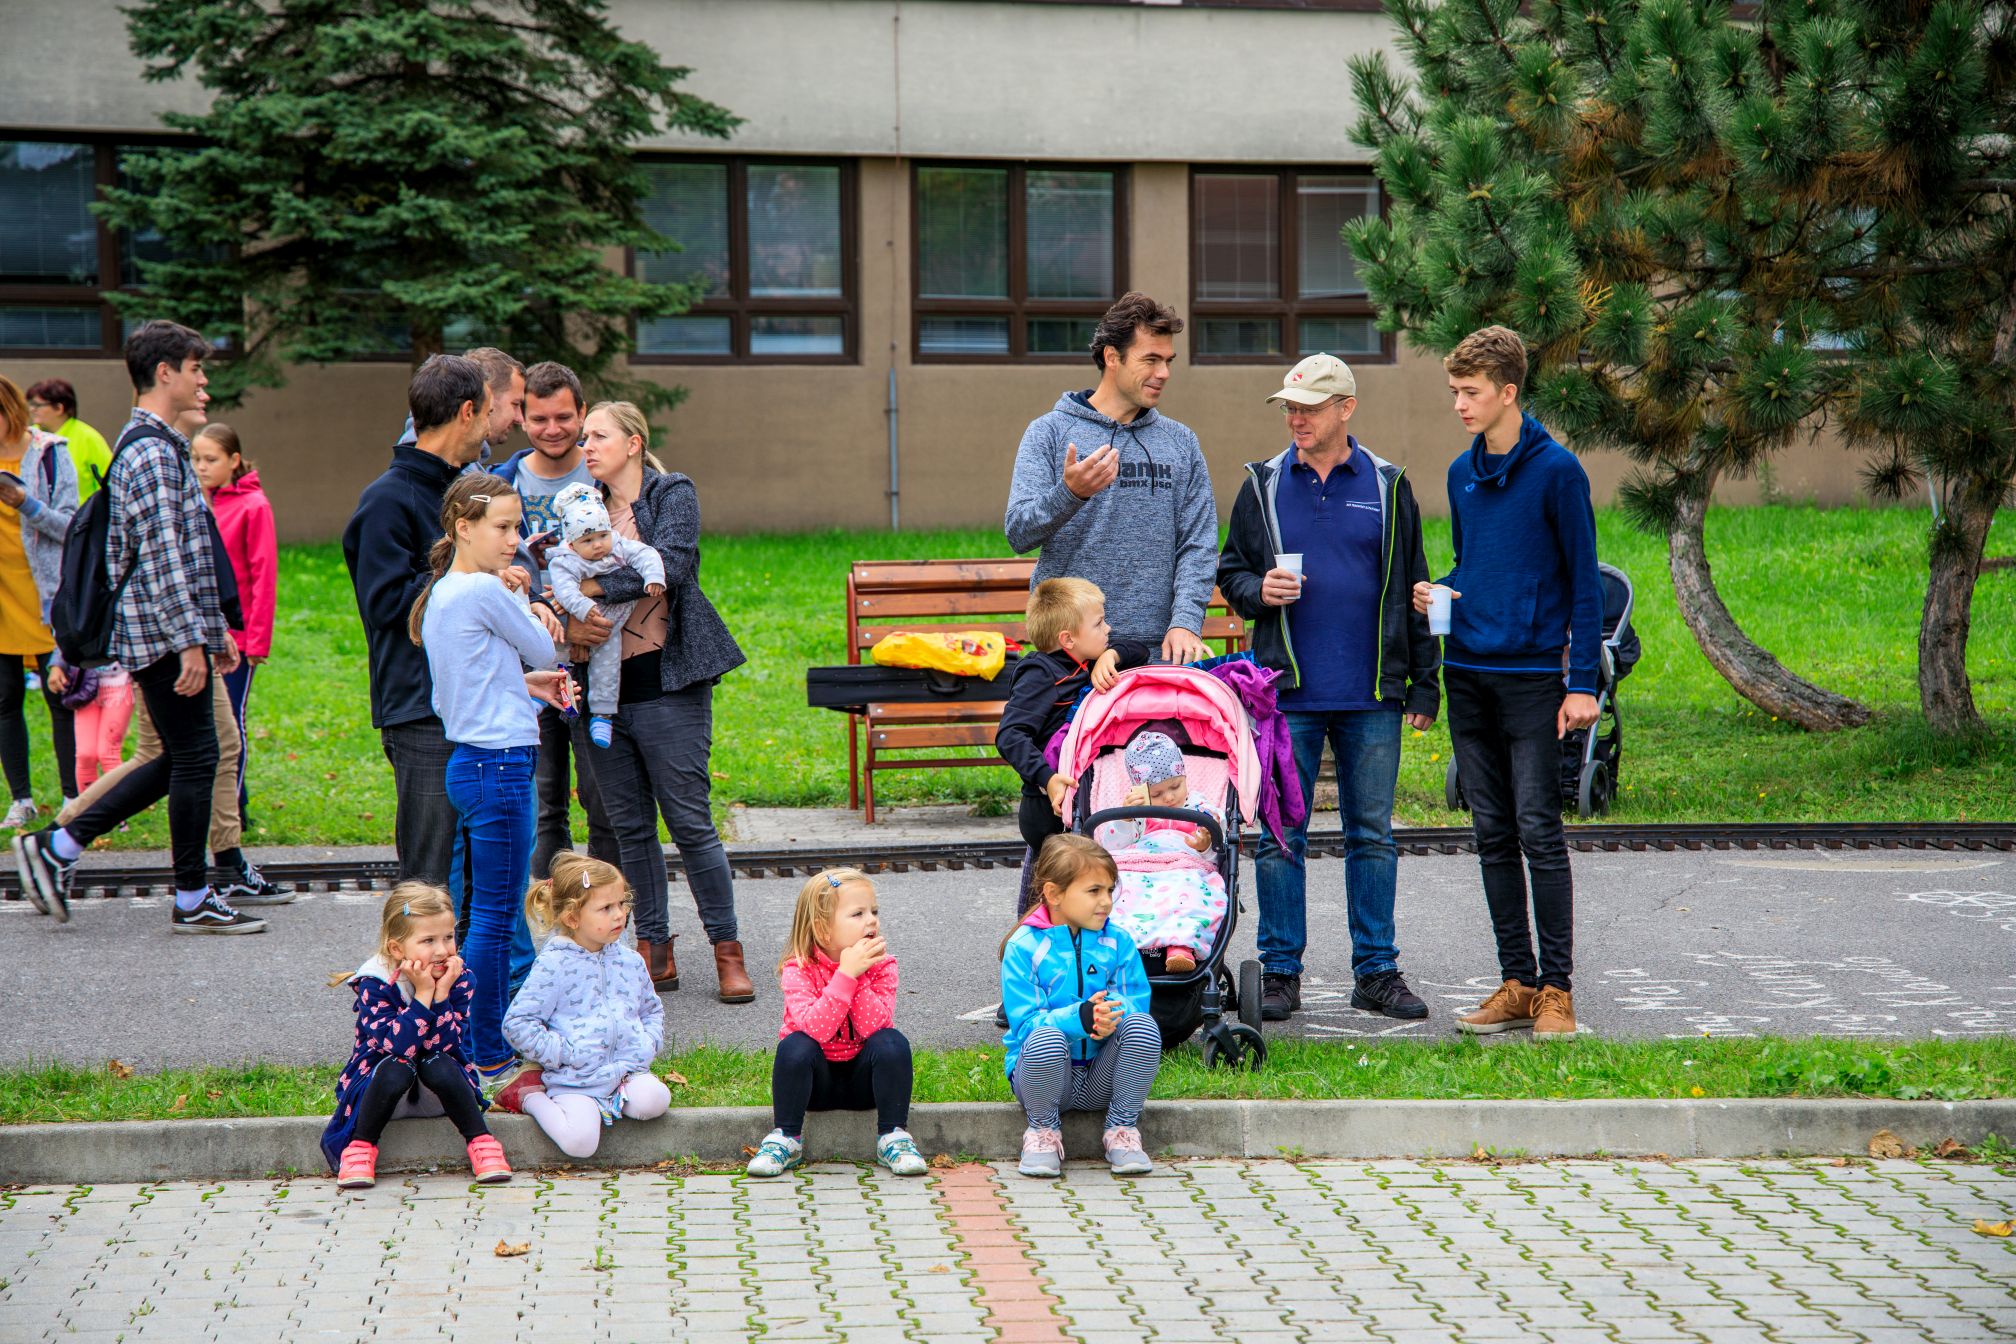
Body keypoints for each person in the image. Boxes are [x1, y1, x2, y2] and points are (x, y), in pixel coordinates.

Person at [14, 321, 261, 934]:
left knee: (183, 757)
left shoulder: (160, 445)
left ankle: (58, 847)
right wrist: (191, 642)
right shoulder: (150, 452)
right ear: (164, 373)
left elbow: (191, 552)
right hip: (161, 634)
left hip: (165, 631)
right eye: (196, 370)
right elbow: (162, 559)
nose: (203, 382)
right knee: (195, 757)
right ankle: (189, 895)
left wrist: (213, 634)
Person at [1217, 353, 1442, 1025]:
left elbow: (1416, 587)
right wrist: (1259, 590)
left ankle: (1376, 971)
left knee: (1372, 835)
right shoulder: (1261, 484)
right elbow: (1232, 571)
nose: (1296, 418)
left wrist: (1424, 684)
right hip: (1285, 694)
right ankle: (1279, 972)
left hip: (1372, 695)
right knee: (1279, 837)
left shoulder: (1388, 483)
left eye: (1310, 408)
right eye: (1290, 407)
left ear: (1346, 408)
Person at [1413, 326, 1602, 1041]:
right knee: (1491, 833)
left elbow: (1584, 584)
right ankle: (1518, 983)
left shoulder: (1559, 472)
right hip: (1468, 672)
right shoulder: (1461, 475)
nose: (1460, 404)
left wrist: (1581, 684)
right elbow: (1475, 565)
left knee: (1538, 831)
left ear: (1508, 392)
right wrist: (1440, 590)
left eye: (1471, 392)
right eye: (1454, 391)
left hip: (1533, 679)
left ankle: (1558, 991)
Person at [343, 356, 559, 890]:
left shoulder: (460, 487)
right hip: (422, 713)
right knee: (430, 879)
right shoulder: (388, 500)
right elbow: (386, 605)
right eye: (489, 412)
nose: (497, 424)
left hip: (471, 708)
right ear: (467, 413)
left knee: (481, 881)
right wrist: (473, 578)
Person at [573, 401, 751, 1003]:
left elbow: (671, 566)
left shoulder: (671, 492)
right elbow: (555, 568)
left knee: (691, 824)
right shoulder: (581, 506)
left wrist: (590, 585)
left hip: (668, 684)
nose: (586, 446)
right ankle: (655, 949)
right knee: (630, 829)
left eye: (598, 435)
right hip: (603, 698)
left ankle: (727, 951)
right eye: (584, 437)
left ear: (632, 442)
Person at [410, 472, 571, 1084]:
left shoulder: (446, 593)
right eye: (502, 527)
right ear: (463, 528)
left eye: (517, 527)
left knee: (486, 912)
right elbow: (545, 648)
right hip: (500, 765)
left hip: (472, 762)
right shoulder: (483, 589)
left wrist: (522, 686)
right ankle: (489, 1052)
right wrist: (526, 597)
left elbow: (465, 684)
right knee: (497, 918)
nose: (514, 541)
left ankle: (478, 1041)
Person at [1004, 291, 1218, 665]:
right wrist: (1070, 493)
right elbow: (1019, 533)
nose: (1164, 373)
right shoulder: (1049, 432)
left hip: (1158, 651)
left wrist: (1185, 622)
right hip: (1071, 654)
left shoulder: (1181, 442)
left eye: (1168, 361)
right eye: (1150, 360)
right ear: (1112, 357)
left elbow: (1198, 544)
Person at [502, 362, 619, 882]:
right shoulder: (501, 483)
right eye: (539, 418)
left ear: (583, 414)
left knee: (602, 794)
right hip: (530, 660)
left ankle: (604, 904)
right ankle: (552, 903)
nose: (552, 429)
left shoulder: (606, 479)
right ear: (522, 417)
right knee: (544, 797)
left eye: (564, 417)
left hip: (597, 656)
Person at [321, 884, 510, 1189]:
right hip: (379, 1093)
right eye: (428, 940)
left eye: (448, 937)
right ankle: (360, 1147)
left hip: (438, 1095)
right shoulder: (375, 981)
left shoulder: (458, 978)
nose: (442, 950)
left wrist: (441, 994)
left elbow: (446, 1045)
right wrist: (423, 995)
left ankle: (482, 1142)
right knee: (398, 1064)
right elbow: (398, 1047)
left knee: (437, 1061)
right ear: (397, 949)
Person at [746, 868, 925, 1179]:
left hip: (866, 1085)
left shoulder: (883, 966)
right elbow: (817, 1030)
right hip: (814, 1087)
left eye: (874, 911)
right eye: (858, 914)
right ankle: (786, 1138)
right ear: (822, 929)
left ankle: (893, 1137)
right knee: (795, 1045)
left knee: (892, 1041)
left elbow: (874, 1026)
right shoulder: (798, 969)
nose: (871, 921)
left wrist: (859, 975)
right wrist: (845, 975)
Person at [1000, 834, 1160, 1179]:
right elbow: (1025, 1026)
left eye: (1110, 890)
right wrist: (1081, 1018)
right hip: (1046, 1081)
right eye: (1094, 891)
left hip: (1102, 1076)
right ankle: (1042, 1132)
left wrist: (1110, 1014)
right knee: (1045, 1038)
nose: (1106, 902)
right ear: (1054, 893)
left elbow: (1135, 1000)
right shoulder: (1023, 947)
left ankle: (1122, 1129)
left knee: (1144, 1026)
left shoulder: (1118, 940)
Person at [499, 853, 672, 1157]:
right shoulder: (554, 964)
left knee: (655, 1100)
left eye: (622, 903)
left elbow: (650, 1009)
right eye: (606, 908)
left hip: (626, 1073)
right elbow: (518, 1024)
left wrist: (647, 1044)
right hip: (574, 1079)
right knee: (580, 1144)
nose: (619, 915)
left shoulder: (630, 960)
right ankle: (529, 1096)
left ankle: (610, 1102)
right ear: (572, 918)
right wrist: (566, 1054)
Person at [994, 577, 1150, 893]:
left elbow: (1140, 650)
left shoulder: (1088, 661)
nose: (1108, 628)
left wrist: (1111, 656)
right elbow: (1010, 734)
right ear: (1068, 639)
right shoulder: (1040, 674)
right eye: (1099, 623)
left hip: (1084, 796)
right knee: (1060, 891)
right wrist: (1047, 778)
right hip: (1047, 805)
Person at [0, 374, 79, 829]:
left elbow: (70, 527)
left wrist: (24, 503)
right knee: (5, 698)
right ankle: (21, 799)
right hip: (3, 597)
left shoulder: (50, 453)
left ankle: (73, 796)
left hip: (47, 595)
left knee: (60, 696)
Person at [191, 423, 276, 824]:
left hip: (238, 640)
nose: (201, 467)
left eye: (211, 459)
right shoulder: (194, 502)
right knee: (204, 723)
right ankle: (211, 801)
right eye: (196, 459)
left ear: (234, 460)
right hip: (198, 635)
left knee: (230, 724)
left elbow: (263, 576)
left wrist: (257, 642)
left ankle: (234, 808)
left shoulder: (253, 506)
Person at [1092, 732, 1226, 975]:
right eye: (1157, 794)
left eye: (1176, 786)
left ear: (1184, 776)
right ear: (1141, 791)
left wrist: (1205, 845)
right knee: (1122, 894)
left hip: (1185, 868)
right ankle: (1121, 946)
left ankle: (1180, 948)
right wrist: (1125, 819)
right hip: (1140, 868)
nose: (1169, 797)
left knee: (1188, 895)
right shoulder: (1139, 813)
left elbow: (1217, 855)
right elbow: (1113, 848)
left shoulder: (1202, 811)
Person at [544, 482, 664, 749]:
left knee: (607, 671)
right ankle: (540, 699)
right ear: (572, 543)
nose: (598, 545)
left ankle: (603, 716)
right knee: (555, 662)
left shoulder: (618, 547)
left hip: (610, 628)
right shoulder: (566, 560)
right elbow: (564, 590)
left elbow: (646, 555)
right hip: (576, 623)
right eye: (587, 540)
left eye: (602, 535)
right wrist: (583, 608)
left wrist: (653, 576)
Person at [23, 379, 111, 502]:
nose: (32, 409)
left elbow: (109, 482)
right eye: (31, 404)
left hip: (81, 512)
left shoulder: (88, 438)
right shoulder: (28, 436)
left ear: (59, 408)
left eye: (38, 405)